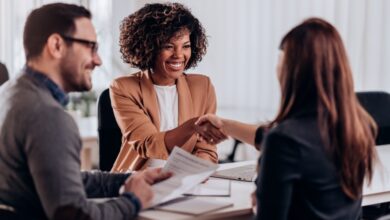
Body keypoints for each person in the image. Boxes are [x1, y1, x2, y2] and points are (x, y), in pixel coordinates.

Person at [0, 3, 171, 220]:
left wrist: (128, 179)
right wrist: (132, 201)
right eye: (90, 47)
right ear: (56, 45)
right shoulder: (47, 115)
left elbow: (61, 179)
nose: (98, 60)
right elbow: (74, 214)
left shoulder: (9, 93)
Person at [197, 18, 377, 220]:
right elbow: (275, 138)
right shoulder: (356, 128)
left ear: (294, 71)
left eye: (281, 58)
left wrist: (262, 200)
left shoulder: (285, 140)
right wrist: (224, 124)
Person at [110, 2, 226, 171]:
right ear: (149, 48)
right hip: (137, 181)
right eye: (168, 46)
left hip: (184, 183)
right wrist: (193, 125)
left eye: (186, 46)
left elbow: (206, 149)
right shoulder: (124, 88)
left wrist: (198, 172)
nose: (179, 55)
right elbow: (148, 144)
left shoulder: (203, 87)